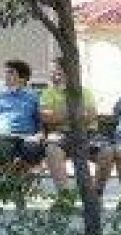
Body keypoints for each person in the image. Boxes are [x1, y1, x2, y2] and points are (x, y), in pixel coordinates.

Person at [38, 60, 101, 192]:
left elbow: (91, 115)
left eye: (56, 70)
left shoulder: (84, 92)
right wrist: (76, 113)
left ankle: (95, 194)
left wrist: (60, 114)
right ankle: (65, 196)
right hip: (61, 135)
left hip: (86, 133)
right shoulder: (47, 93)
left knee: (107, 152)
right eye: (52, 71)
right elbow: (46, 117)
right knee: (51, 150)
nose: (53, 74)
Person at [0, 59, 46, 172]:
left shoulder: (34, 97)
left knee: (32, 148)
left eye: (10, 72)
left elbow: (40, 120)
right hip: (3, 137)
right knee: (2, 148)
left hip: (26, 138)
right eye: (5, 72)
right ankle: (5, 182)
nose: (6, 75)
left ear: (22, 78)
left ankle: (19, 182)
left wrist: (39, 134)